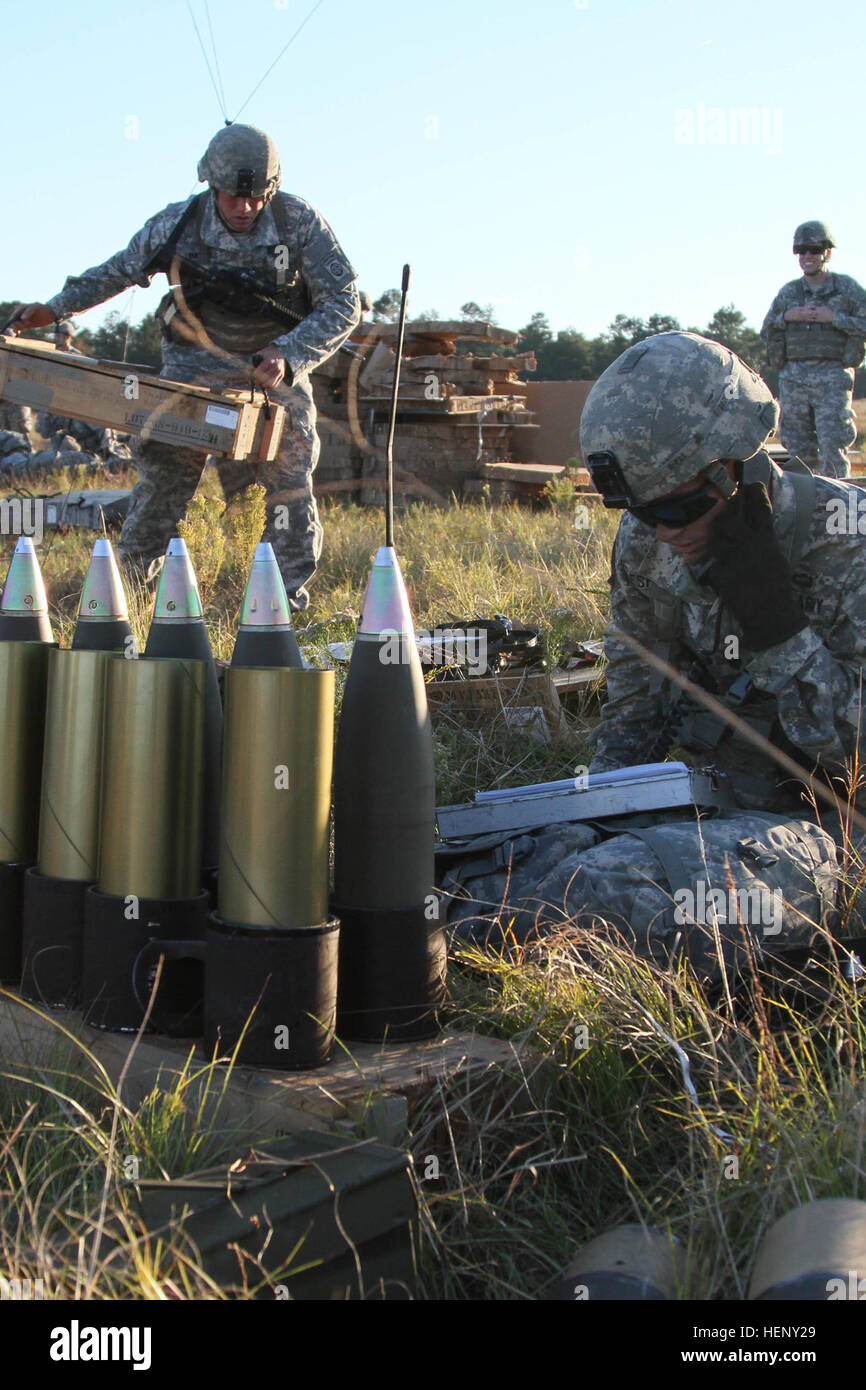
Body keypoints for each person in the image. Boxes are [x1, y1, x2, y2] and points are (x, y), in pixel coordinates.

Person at [443, 333, 866, 980]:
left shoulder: (846, 543)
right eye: (642, 510)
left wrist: (776, 629)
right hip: (721, 801)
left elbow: (855, 756)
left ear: (737, 466)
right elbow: (633, 716)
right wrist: (590, 814)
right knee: (499, 859)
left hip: (840, 837)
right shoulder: (650, 541)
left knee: (609, 894)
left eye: (680, 507)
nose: (666, 532)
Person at [7, 124, 360, 606]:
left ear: (270, 188)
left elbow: (343, 302)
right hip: (191, 370)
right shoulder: (177, 224)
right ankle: (128, 600)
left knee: (288, 482)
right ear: (210, 185)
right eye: (232, 196)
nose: (244, 207)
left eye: (255, 197)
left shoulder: (298, 221)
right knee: (164, 482)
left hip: (270, 368)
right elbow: (117, 271)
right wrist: (56, 308)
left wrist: (290, 353)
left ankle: (280, 603)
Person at [761, 220, 866, 479]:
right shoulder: (789, 293)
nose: (807, 256)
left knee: (833, 447)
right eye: (801, 251)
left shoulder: (847, 289)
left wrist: (834, 318)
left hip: (832, 377)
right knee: (797, 451)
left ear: (826, 253)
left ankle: (838, 506)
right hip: (794, 379)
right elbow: (767, 329)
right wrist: (788, 315)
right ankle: (803, 510)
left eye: (813, 250)